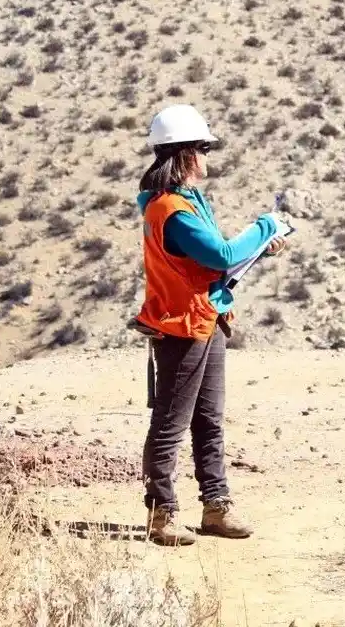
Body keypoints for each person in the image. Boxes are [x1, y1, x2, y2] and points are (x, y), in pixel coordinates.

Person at [130, 104, 288, 546]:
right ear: (184, 154)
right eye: (203, 148)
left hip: (206, 317)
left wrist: (259, 248)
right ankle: (162, 514)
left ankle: (215, 507)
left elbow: (212, 263)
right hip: (183, 326)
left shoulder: (186, 202)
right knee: (171, 422)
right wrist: (264, 226)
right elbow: (218, 254)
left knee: (208, 419)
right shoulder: (172, 210)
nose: (207, 156)